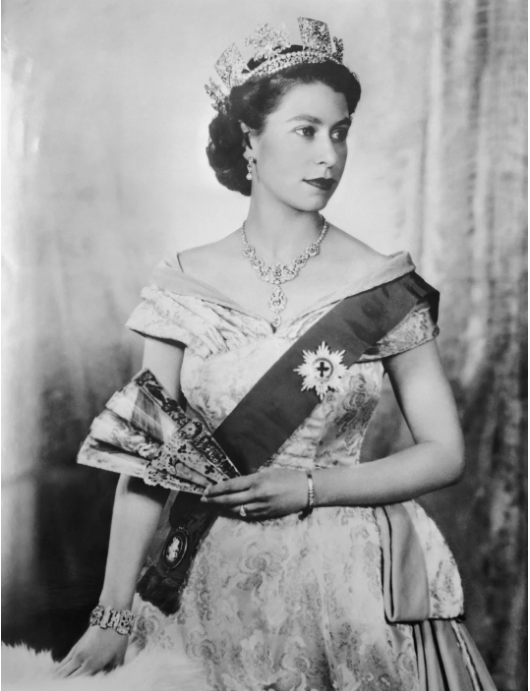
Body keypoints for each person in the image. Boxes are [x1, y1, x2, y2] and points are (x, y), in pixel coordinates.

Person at [56, 17, 497, 691]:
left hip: (349, 585)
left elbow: (445, 451)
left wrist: (312, 487)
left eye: (340, 131)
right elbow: (146, 465)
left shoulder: (380, 285)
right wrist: (112, 615)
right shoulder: (182, 283)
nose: (330, 155)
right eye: (306, 130)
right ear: (249, 139)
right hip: (205, 578)